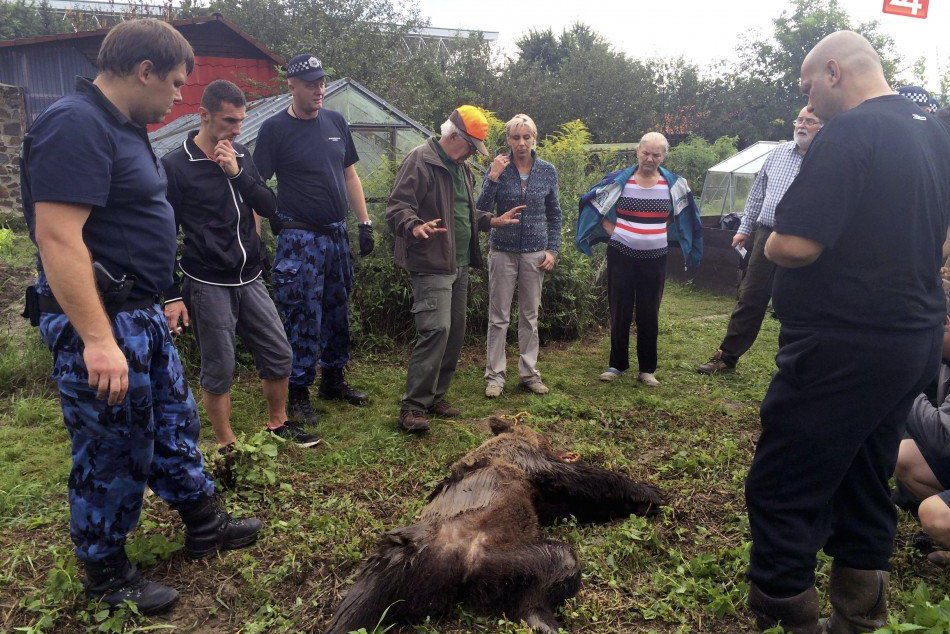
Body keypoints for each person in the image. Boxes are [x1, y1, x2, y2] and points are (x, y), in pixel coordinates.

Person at [19, 19, 261, 615]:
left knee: (175, 423)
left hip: (141, 313)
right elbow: (58, 237)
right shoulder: (75, 124)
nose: (181, 96)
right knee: (113, 447)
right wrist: (97, 340)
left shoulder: (122, 127)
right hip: (103, 321)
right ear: (144, 70)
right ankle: (106, 573)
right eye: (176, 82)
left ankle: (204, 523)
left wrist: (165, 296)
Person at [744, 31, 950, 634]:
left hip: (843, 343)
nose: (807, 99)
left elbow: (796, 244)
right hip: (911, 340)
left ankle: (787, 610)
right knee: (865, 473)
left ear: (833, 71)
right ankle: (859, 615)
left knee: (783, 481)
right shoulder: (935, 129)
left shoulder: (852, 131)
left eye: (808, 84)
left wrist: (772, 244)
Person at [161, 79, 320, 451]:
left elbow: (268, 205)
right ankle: (227, 445)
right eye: (229, 121)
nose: (236, 129)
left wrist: (236, 172)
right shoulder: (175, 165)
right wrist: (170, 294)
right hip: (208, 281)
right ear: (204, 115)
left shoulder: (241, 154)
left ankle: (278, 424)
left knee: (279, 353)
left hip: (250, 276)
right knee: (220, 367)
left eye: (241, 121)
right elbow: (164, 233)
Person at [252, 53, 374, 427]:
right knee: (302, 314)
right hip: (299, 237)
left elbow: (350, 175)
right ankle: (299, 392)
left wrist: (364, 223)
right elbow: (256, 187)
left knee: (337, 307)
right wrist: (255, 239)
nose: (319, 90)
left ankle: (333, 380)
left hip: (336, 234)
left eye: (322, 83)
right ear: (291, 86)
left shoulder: (336, 122)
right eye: (310, 85)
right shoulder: (275, 129)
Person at [386, 106, 523, 432]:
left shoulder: (461, 168)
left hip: (458, 262)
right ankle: (413, 406)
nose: (472, 153)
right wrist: (414, 225)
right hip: (431, 261)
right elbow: (396, 207)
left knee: (454, 332)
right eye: (471, 146)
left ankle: (435, 396)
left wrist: (492, 220)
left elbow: (464, 211)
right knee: (435, 330)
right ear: (454, 136)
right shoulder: (421, 160)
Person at [697, 108, 822, 374]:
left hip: (803, 238)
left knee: (796, 302)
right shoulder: (777, 154)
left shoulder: (826, 159)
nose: (801, 125)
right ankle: (726, 357)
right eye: (799, 120)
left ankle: (792, 365)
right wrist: (744, 228)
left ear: (822, 127)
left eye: (810, 121)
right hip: (767, 233)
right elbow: (756, 194)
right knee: (751, 294)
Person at [575, 132, 702, 388]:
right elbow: (593, 203)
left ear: (663, 157)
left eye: (656, 154)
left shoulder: (675, 186)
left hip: (655, 258)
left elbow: (685, 214)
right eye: (646, 153)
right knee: (619, 309)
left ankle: (647, 370)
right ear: (637, 152)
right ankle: (617, 365)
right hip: (621, 255)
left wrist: (660, 228)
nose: (650, 159)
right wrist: (612, 229)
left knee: (649, 313)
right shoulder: (619, 182)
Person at [476, 113, 562, 398]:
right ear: (508, 140)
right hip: (502, 250)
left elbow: (555, 215)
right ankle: (495, 376)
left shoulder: (547, 170)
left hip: (535, 253)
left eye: (527, 137)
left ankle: (529, 373)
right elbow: (480, 210)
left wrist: (552, 249)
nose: (522, 143)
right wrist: (492, 177)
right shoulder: (499, 168)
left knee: (529, 316)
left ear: (534, 139)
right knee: (498, 316)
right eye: (516, 137)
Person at [894, 299, 950, 566]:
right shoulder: (944, 358)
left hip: (946, 439)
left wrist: (902, 383)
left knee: (935, 514)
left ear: (945, 323)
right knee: (903, 456)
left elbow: (941, 437)